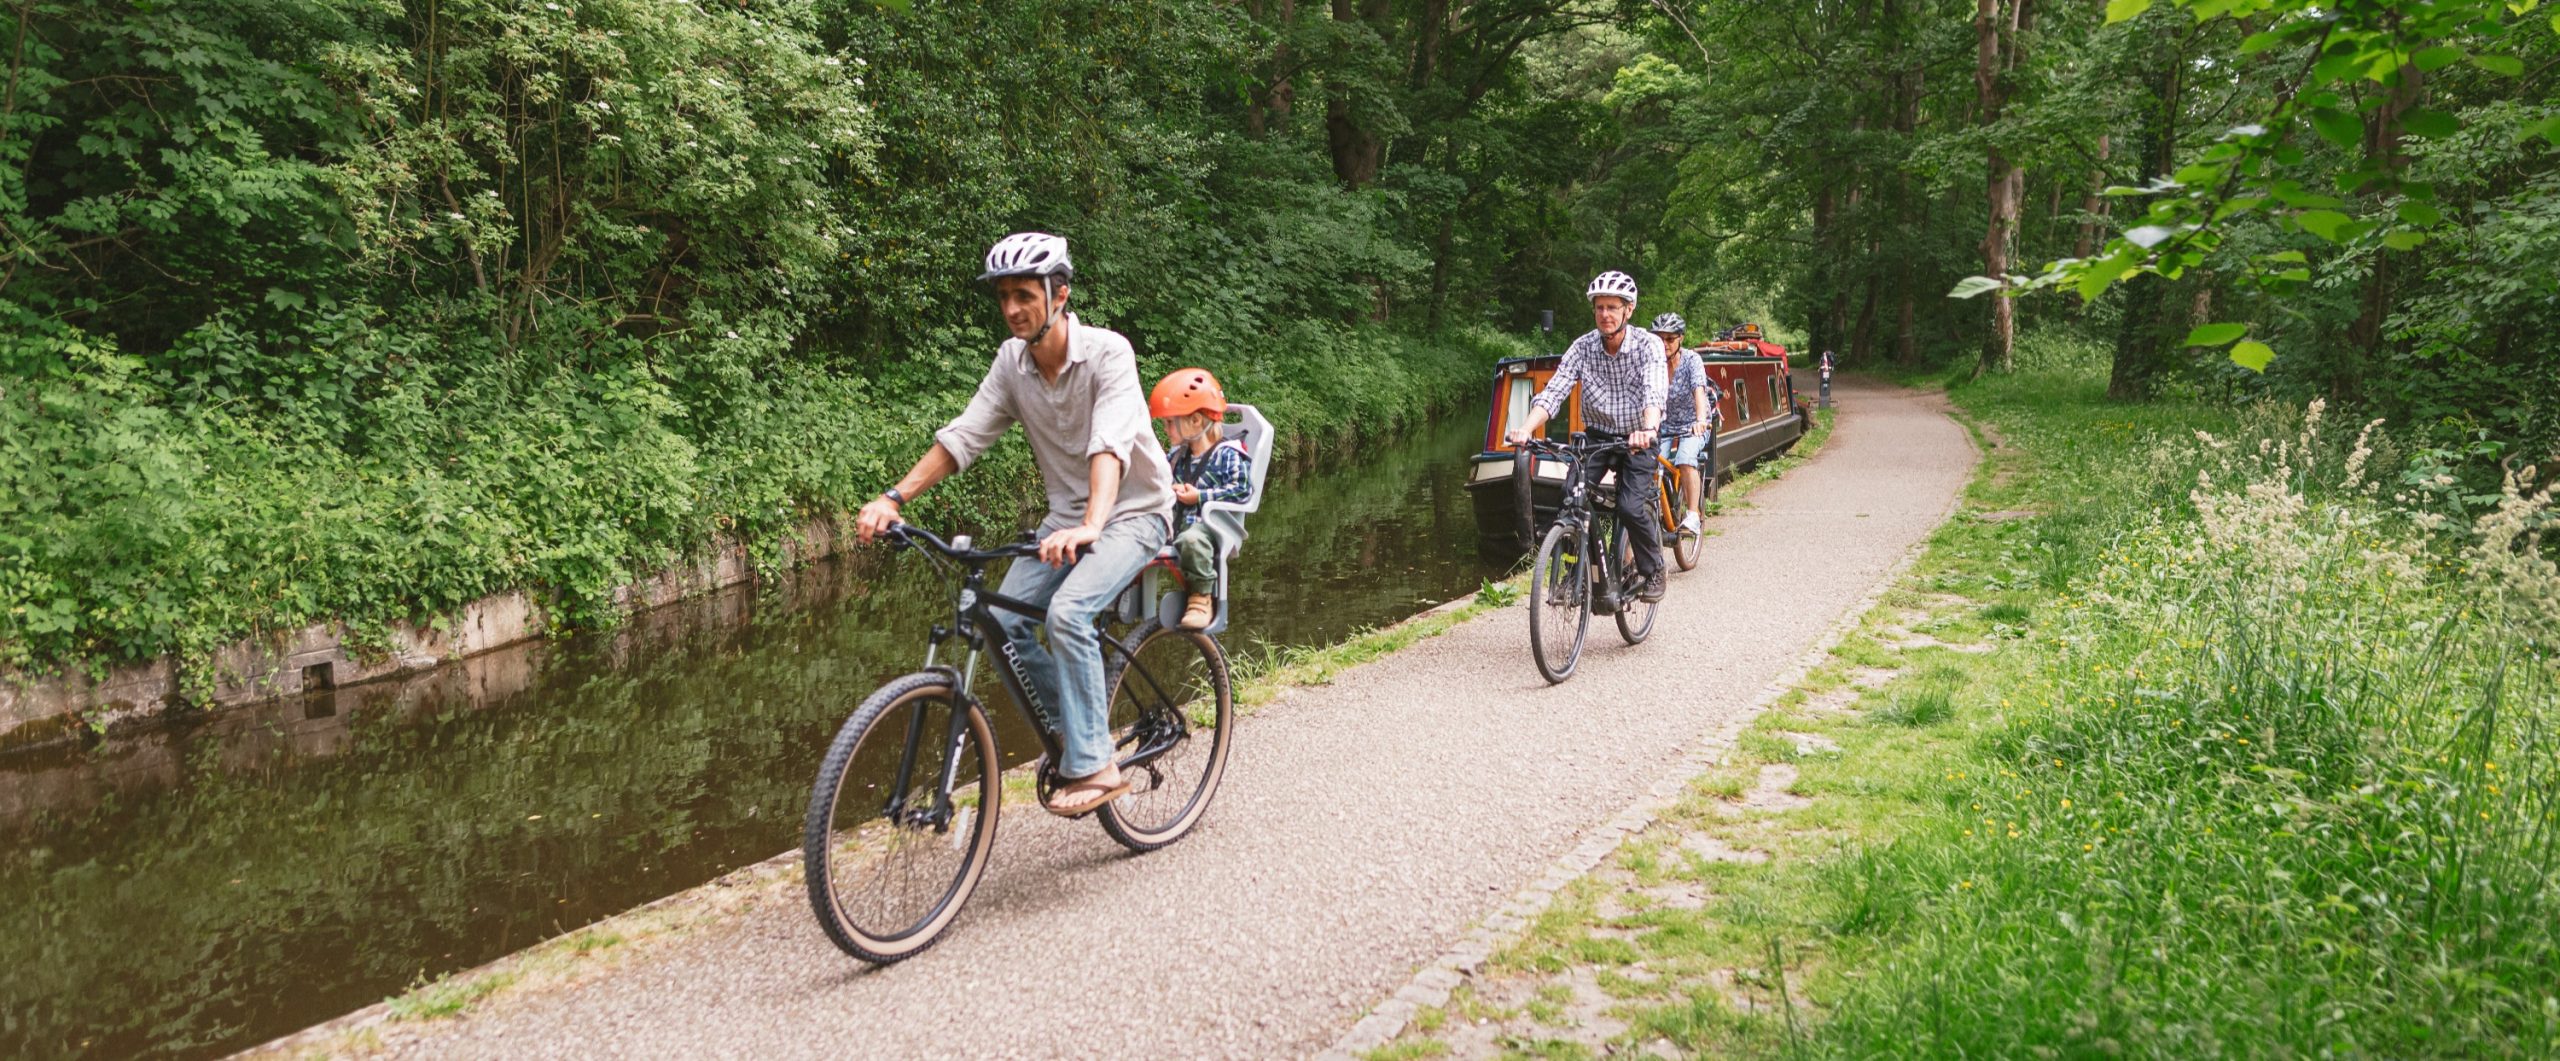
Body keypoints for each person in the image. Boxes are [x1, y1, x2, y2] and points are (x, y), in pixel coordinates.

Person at [853, 232, 1174, 817]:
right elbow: (965, 436)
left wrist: (1092, 523)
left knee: (1068, 613)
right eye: (1003, 296)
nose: (1011, 309)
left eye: (1024, 294)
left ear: (1060, 294)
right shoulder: (1012, 362)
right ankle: (1081, 739)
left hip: (1133, 512)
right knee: (1003, 621)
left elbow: (1110, 445)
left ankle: (1094, 762)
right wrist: (893, 496)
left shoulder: (1109, 353)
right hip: (1064, 520)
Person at [1505, 270, 1669, 602]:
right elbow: (1553, 393)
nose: (1605, 315)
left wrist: (1649, 430)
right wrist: (1525, 428)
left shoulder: (1648, 346)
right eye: (1599, 308)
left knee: (1629, 506)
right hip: (1597, 436)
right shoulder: (1583, 347)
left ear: (1628, 310)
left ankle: (1654, 570)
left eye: (1612, 307)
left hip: (1638, 437)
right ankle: (1576, 576)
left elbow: (1654, 393)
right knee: (1571, 498)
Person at [1151, 368, 1251, 630]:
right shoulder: (1177, 455)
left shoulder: (1227, 453)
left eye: (1171, 422)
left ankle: (1201, 597)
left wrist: (1201, 496)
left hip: (1209, 528)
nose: (1166, 428)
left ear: (1196, 421)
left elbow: (1242, 489)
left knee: (1192, 540)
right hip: (1174, 523)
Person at [1647, 312, 1711, 535]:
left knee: (1685, 458)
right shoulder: (1653, 363)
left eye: (1670, 339)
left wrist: (1701, 420)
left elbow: (1699, 392)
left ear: (1680, 338)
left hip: (1692, 424)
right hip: (1664, 425)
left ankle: (1692, 515)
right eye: (1659, 339)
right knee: (1650, 463)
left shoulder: (1692, 360)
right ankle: (1656, 511)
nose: (1664, 344)